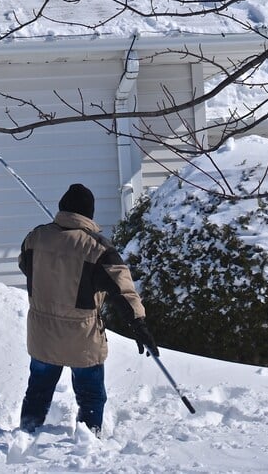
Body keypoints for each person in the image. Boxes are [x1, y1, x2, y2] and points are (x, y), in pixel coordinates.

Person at [17, 183, 158, 436]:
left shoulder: (35, 237)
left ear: (62, 208)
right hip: (81, 336)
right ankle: (88, 438)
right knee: (91, 394)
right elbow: (122, 290)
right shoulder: (98, 249)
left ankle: (26, 432)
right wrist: (138, 324)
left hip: (42, 333)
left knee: (37, 390)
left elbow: (24, 266)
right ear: (89, 214)